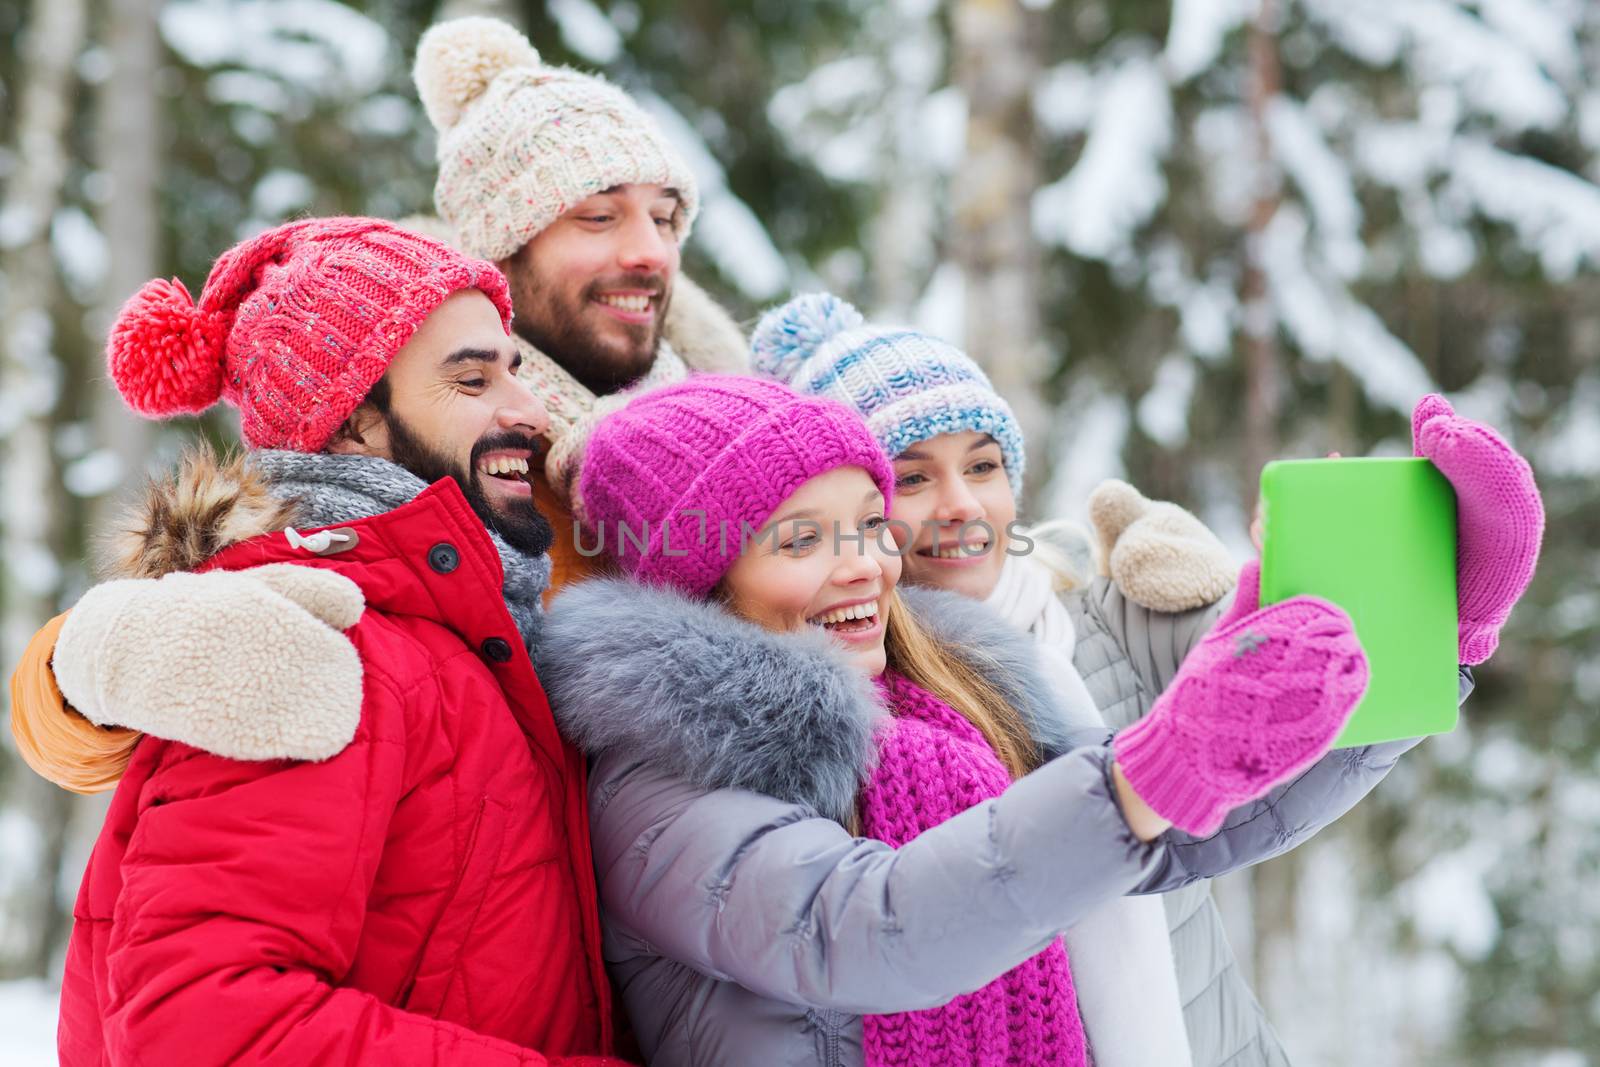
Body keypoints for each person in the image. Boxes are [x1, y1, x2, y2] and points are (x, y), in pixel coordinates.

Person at [751, 292, 1545, 1067]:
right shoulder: (824, 712)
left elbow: (1301, 744)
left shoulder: (1119, 620)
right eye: (913, 478)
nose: (963, 504)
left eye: (983, 464)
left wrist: (1446, 622)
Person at [527, 372, 1379, 1066]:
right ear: (698, 579)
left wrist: (1415, 643)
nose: (864, 566)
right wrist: (1144, 777)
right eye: (800, 541)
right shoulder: (659, 776)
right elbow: (869, 924)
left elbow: (1154, 837)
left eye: (868, 525)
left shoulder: (948, 693)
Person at [9, 14, 752, 797]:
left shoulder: (748, 434)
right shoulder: (409, 432)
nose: (650, 251)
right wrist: (117, 650)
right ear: (502, 236)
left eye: (668, 218)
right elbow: (92, 710)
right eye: (597, 215)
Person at [42, 217, 628, 1066]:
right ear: (353, 424)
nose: (530, 412)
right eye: (472, 381)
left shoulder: (459, 633)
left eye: (516, 371)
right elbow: (201, 1027)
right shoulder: (305, 646)